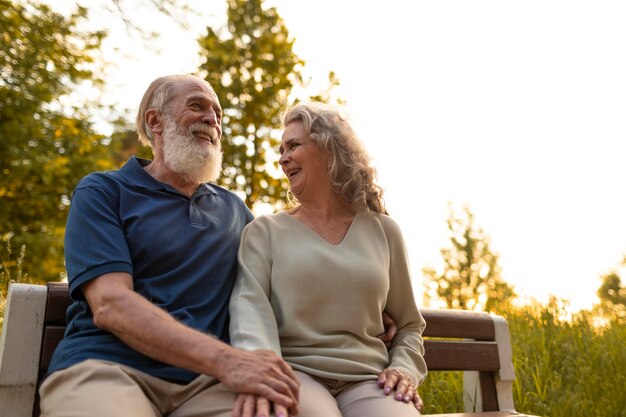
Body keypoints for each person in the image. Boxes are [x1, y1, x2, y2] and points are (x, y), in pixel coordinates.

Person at [39, 74, 300, 417]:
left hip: (207, 384)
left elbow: (289, 275)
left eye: (218, 114)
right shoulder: (103, 192)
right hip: (106, 367)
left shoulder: (235, 210)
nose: (212, 119)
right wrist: (228, 361)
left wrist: (372, 309)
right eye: (197, 106)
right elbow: (110, 304)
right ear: (155, 120)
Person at [228, 102, 428, 417]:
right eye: (281, 150)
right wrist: (264, 373)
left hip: (370, 380)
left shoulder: (384, 231)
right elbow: (250, 311)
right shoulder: (265, 231)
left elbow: (409, 324)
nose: (283, 158)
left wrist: (404, 368)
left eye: (293, 145)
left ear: (330, 148)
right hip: (295, 374)